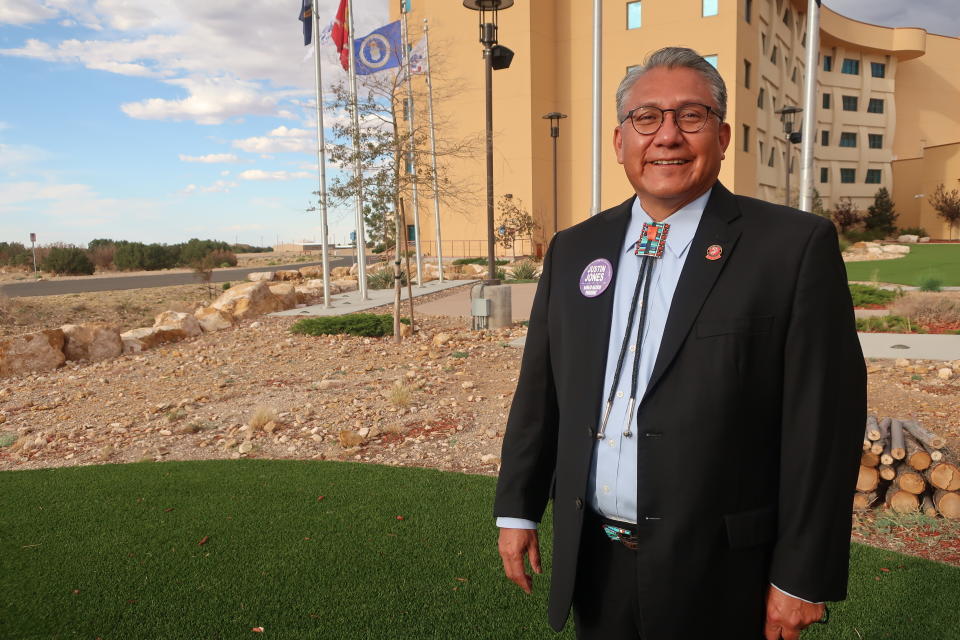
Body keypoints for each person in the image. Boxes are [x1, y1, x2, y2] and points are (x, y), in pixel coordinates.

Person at [493, 47, 866, 640]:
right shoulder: (574, 249)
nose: (667, 135)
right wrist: (517, 507)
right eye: (647, 118)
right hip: (594, 558)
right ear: (620, 141)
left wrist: (802, 577)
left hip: (723, 569)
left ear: (721, 136)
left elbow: (823, 428)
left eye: (690, 117)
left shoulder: (793, 249)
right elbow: (541, 391)